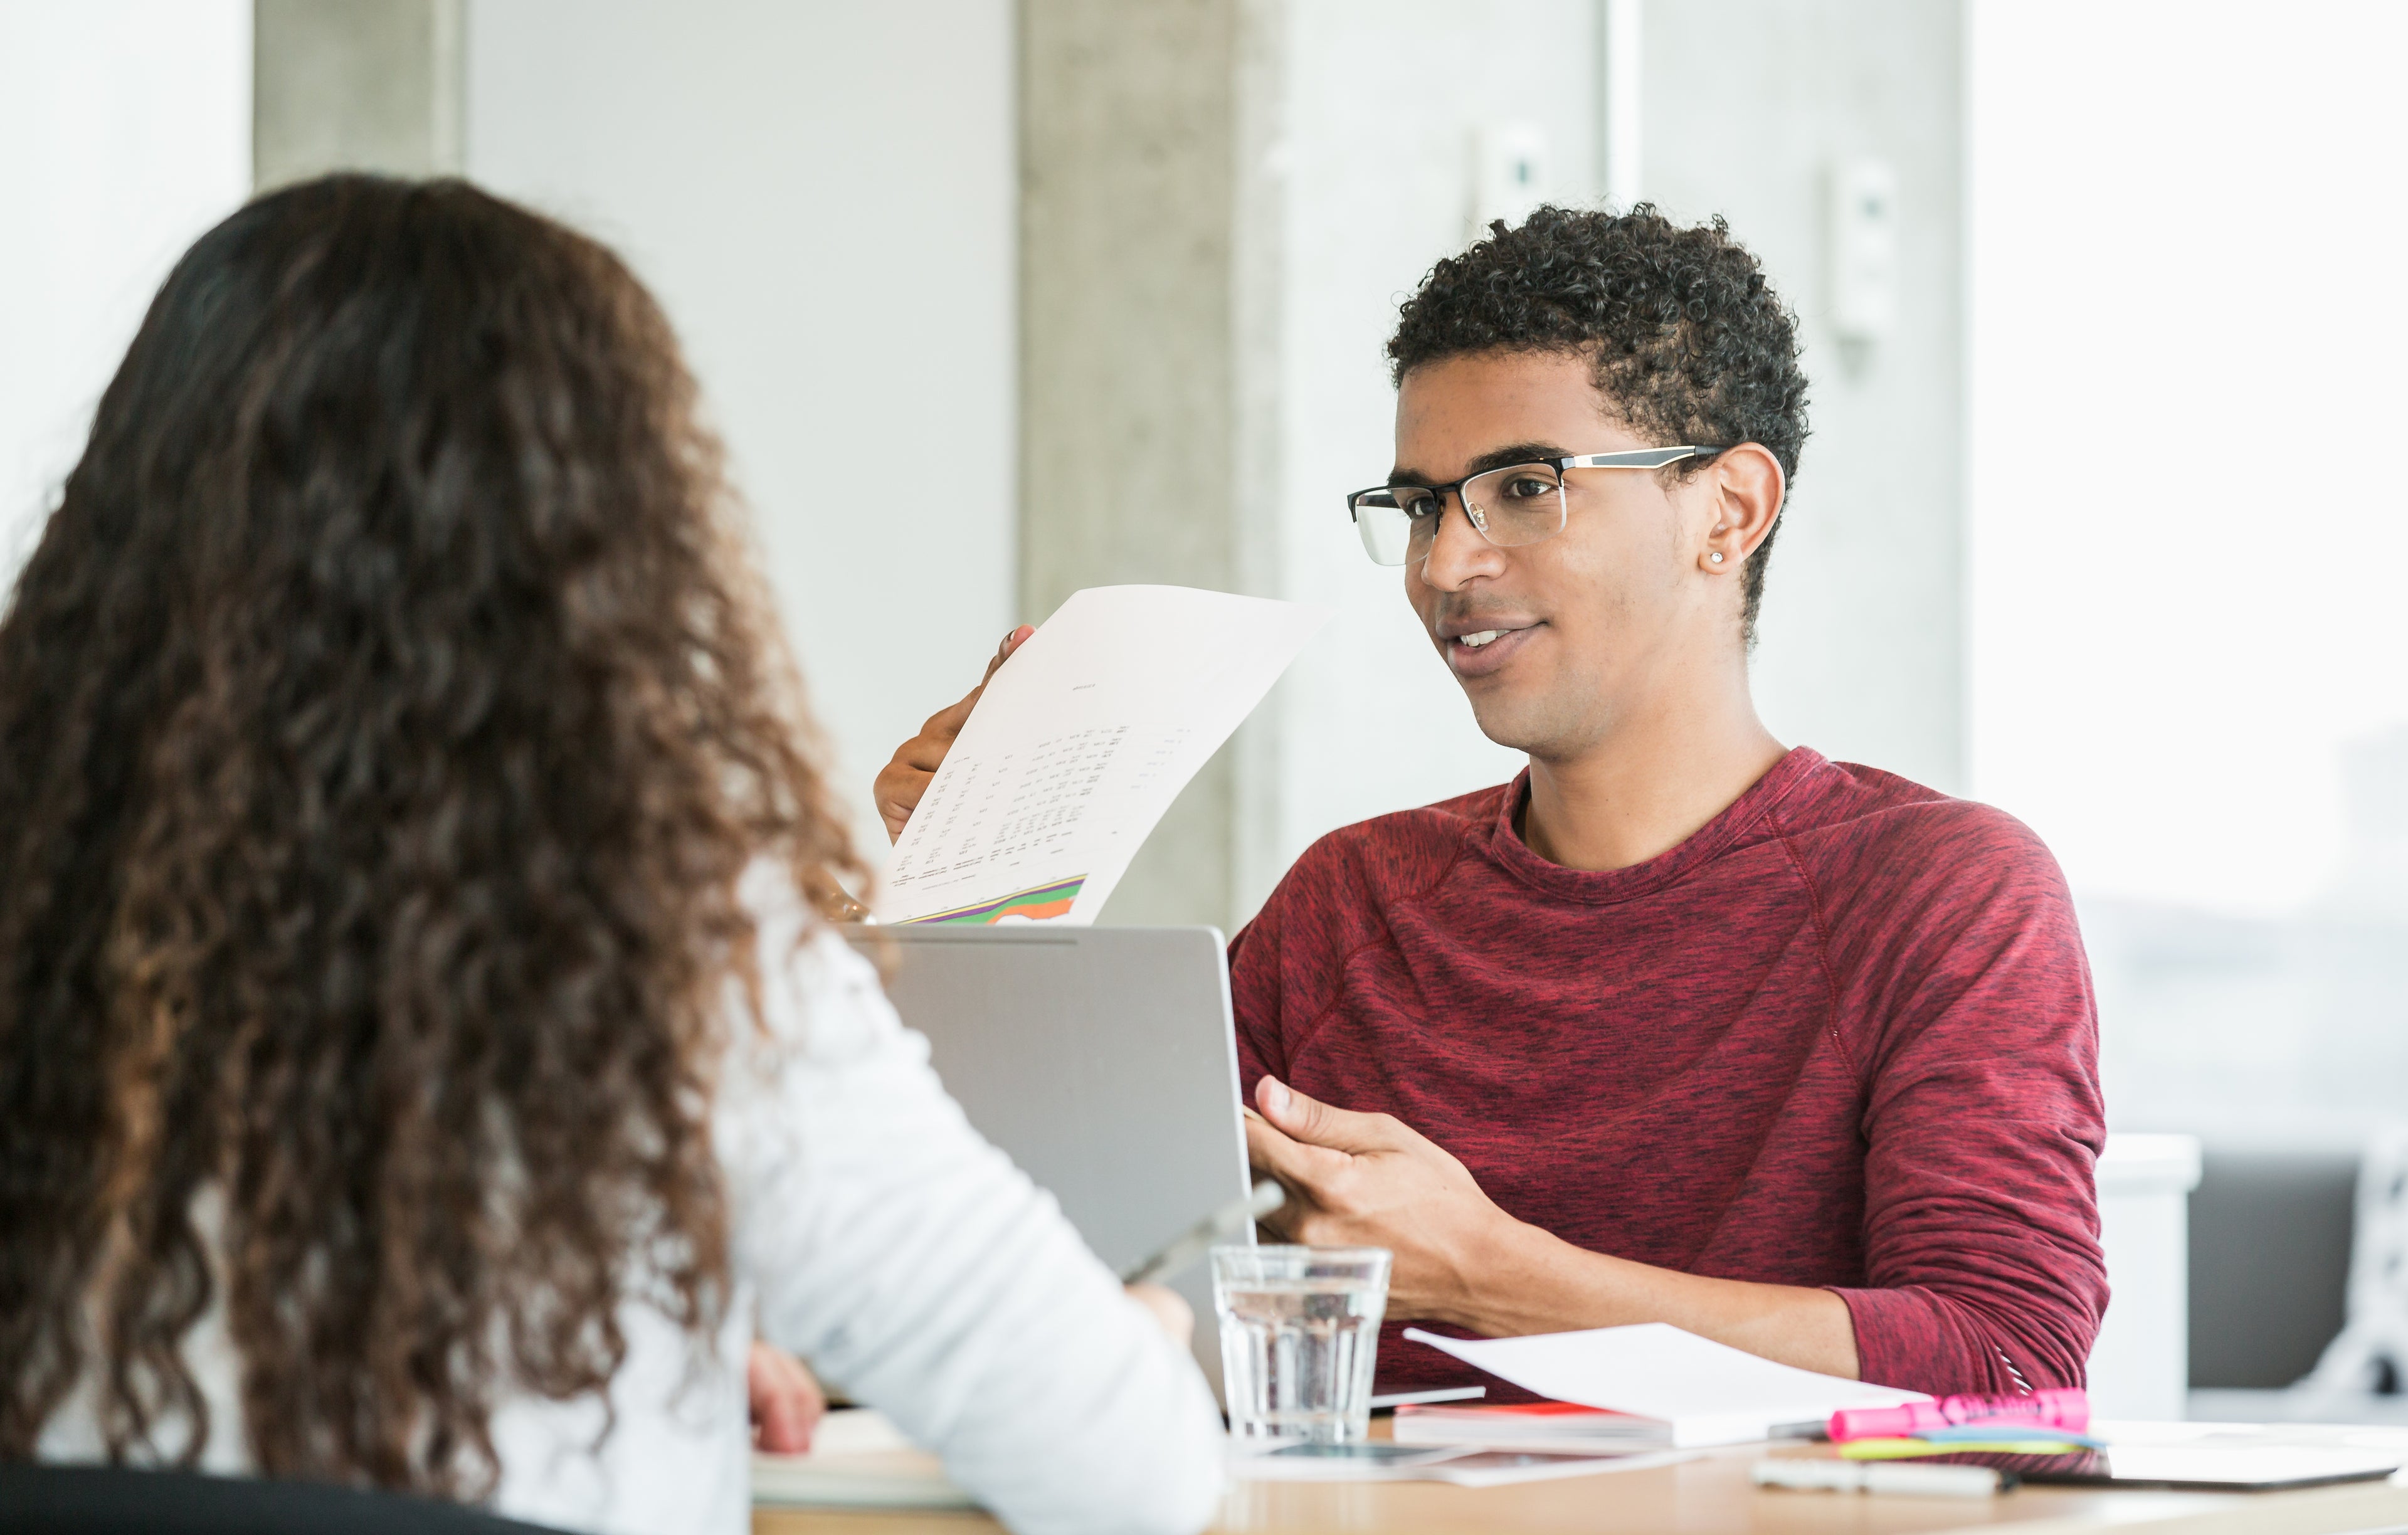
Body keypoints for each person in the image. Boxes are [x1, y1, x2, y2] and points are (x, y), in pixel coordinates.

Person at [0, 176, 1223, 1535]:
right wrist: (1158, 1322)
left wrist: (685, 1332)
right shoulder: (680, 959)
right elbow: (1134, 1473)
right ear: (595, 547)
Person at [875, 205, 2106, 1402]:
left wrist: (1502, 1275)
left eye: (1525, 486)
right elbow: (1059, 1265)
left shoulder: (1943, 892)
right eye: (1421, 503)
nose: (1446, 565)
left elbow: (2006, 1352)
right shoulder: (1354, 903)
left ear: (1728, 512)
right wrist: (956, 914)